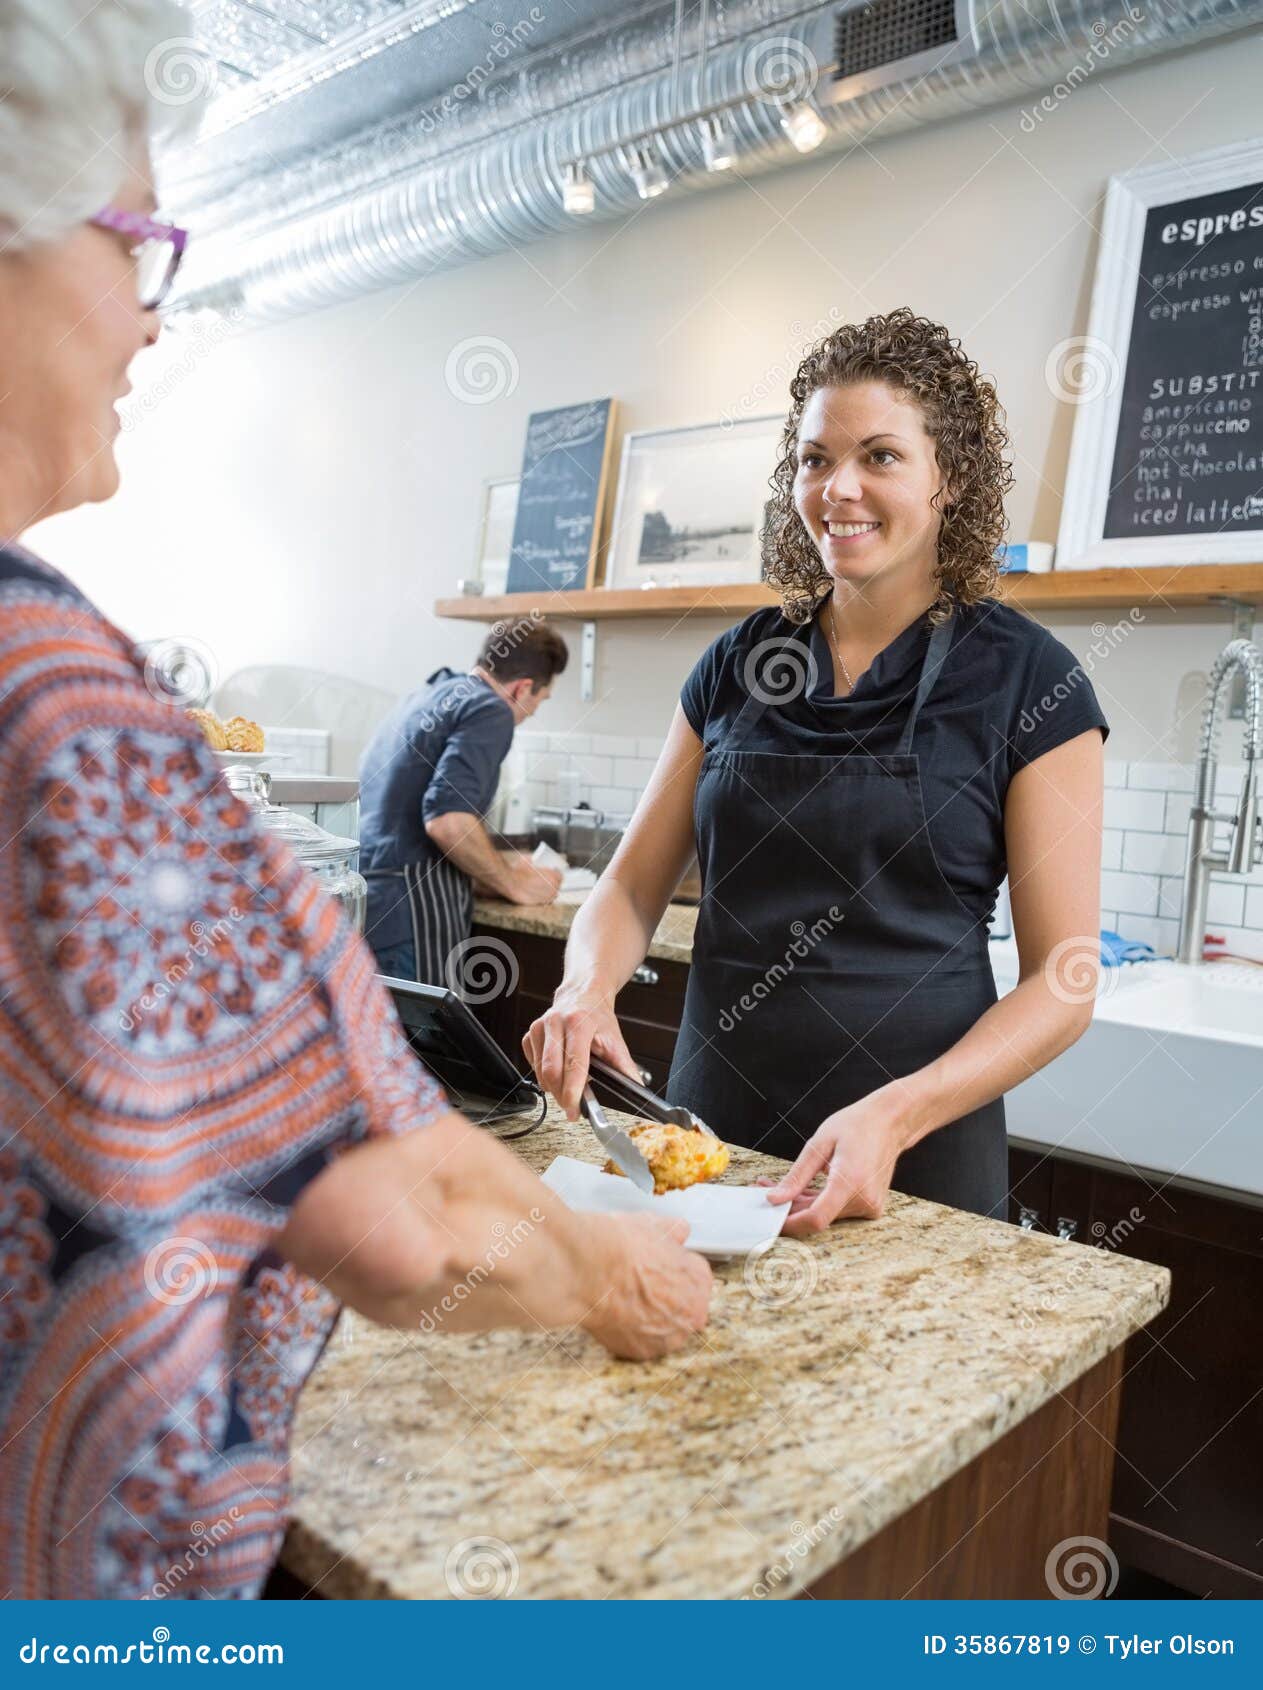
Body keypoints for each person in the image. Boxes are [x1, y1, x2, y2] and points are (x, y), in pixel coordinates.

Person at [0, 0, 710, 1601]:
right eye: (135, 247)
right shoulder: (59, 701)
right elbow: (387, 1222)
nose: (149, 322)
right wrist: (600, 1267)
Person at [525, 308, 1107, 1233]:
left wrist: (899, 1111)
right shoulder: (734, 665)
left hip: (913, 1155)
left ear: (948, 478)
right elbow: (632, 890)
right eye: (813, 458)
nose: (838, 488)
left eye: (880, 456)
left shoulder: (1029, 681)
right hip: (712, 1134)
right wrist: (582, 990)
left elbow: (1065, 981)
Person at [359, 619, 566, 984]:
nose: (529, 715)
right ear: (523, 688)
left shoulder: (426, 695)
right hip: (412, 914)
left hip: (369, 902)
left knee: (379, 1037)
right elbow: (448, 820)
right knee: (424, 1039)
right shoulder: (491, 709)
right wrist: (513, 884)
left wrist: (496, 866)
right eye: (539, 701)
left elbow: (409, 815)